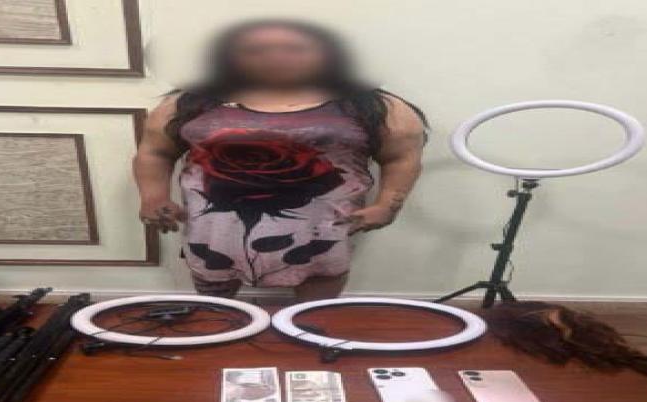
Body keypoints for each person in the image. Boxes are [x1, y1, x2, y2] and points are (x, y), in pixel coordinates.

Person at [133, 19, 427, 300]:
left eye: (295, 48)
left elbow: (401, 156)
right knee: (215, 289)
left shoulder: (373, 105)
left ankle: (310, 325)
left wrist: (387, 205)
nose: (275, 57)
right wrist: (153, 197)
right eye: (255, 50)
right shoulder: (190, 102)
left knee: (317, 289)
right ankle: (218, 321)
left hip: (321, 228)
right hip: (215, 226)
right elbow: (156, 152)